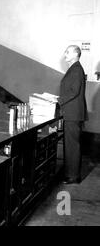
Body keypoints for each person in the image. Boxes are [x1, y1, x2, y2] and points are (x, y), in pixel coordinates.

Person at [58, 45, 87, 184]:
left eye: (68, 52)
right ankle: (71, 173)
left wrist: (59, 101)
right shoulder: (75, 68)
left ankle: (73, 176)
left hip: (73, 114)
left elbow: (74, 91)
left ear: (76, 54)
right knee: (71, 145)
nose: (65, 54)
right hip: (72, 113)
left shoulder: (76, 69)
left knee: (72, 146)